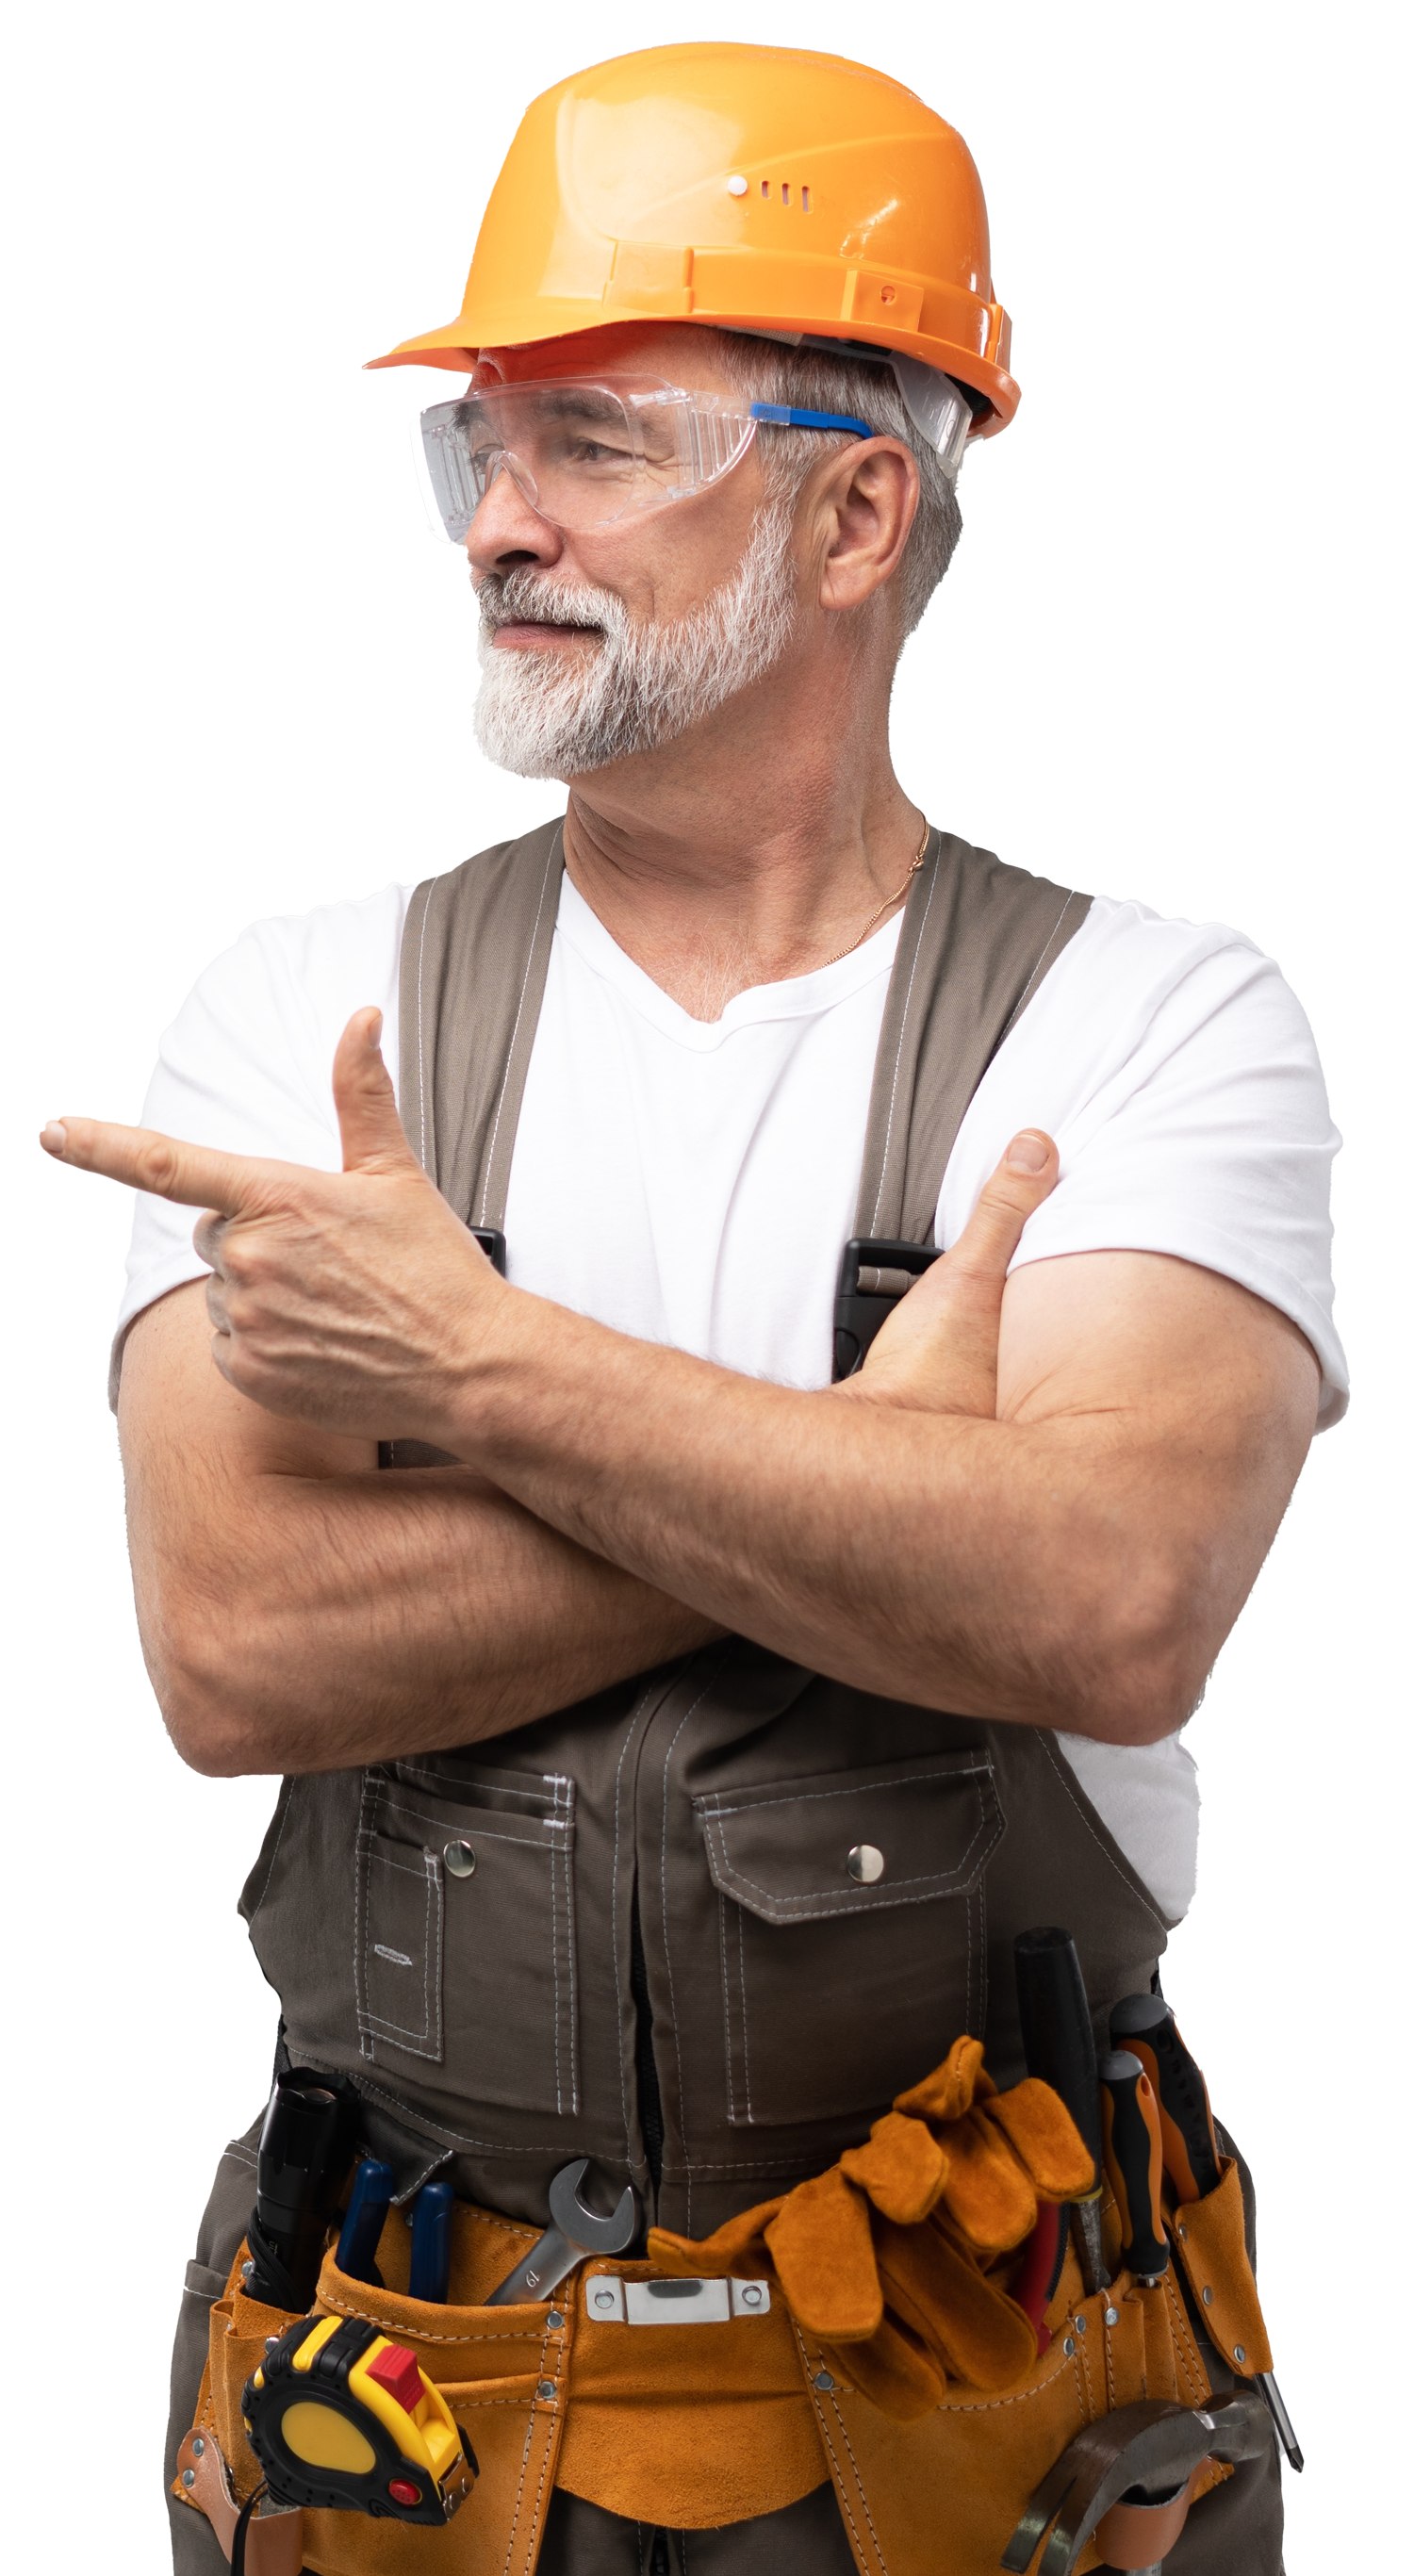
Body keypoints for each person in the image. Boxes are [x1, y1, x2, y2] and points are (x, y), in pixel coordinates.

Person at [43, 43, 1342, 2576]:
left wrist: (474, 1373)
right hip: (404, 2440)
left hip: (998, 2446)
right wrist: (885, 1479)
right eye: (477, 445)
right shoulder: (306, 1015)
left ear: (857, 510)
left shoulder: (1150, 1029)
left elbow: (1104, 1600)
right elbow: (239, 1648)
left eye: (594, 441)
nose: (493, 521)